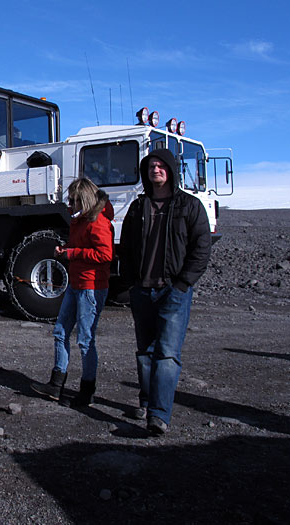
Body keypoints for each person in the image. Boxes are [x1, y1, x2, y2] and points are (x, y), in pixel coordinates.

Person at [120, 149, 211, 435]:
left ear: (171, 170)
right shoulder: (138, 207)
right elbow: (125, 247)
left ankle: (159, 415)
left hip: (173, 291)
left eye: (161, 166)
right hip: (142, 291)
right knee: (145, 354)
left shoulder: (189, 206)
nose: (155, 170)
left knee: (167, 354)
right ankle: (146, 402)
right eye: (151, 166)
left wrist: (183, 283)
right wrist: (130, 282)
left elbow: (202, 247)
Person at [31, 178, 114, 406]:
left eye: (74, 200)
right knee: (60, 332)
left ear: (84, 200)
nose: (71, 204)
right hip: (76, 284)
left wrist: (71, 253)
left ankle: (86, 392)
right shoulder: (80, 221)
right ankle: (56, 384)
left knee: (85, 339)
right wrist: (68, 250)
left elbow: (105, 255)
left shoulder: (98, 222)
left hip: (91, 287)